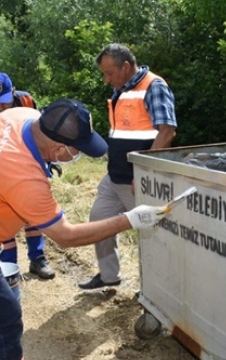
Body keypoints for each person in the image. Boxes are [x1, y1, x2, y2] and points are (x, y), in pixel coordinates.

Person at [0, 98, 168, 360]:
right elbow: (66, 236)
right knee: (4, 320)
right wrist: (130, 219)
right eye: (78, 149)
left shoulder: (19, 116)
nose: (79, 155)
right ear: (59, 147)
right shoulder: (22, 175)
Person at [78, 43, 177, 290]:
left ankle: (157, 291)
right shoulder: (121, 89)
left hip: (138, 181)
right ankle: (109, 276)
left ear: (126, 66)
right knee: (98, 223)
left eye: (109, 73)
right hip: (115, 178)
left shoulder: (154, 86)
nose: (106, 79)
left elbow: (167, 132)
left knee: (155, 236)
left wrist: (145, 173)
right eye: (104, 73)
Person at [0, 72, 56, 280]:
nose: (1, 108)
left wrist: (49, 160)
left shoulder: (27, 101)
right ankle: (8, 265)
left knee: (33, 213)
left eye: (4, 102)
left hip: (29, 162)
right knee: (6, 217)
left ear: (13, 91)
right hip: (0, 171)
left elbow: (42, 131)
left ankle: (38, 259)